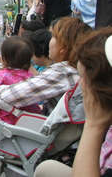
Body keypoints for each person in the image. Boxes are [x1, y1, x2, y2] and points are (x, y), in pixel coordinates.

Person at [34, 27, 112, 177]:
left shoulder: (61, 71)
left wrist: (94, 125)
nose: (80, 86)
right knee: (47, 168)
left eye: (86, 83)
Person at [0, 17, 92, 115]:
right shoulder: (79, 69)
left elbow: (7, 96)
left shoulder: (63, 72)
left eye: (53, 36)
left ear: (63, 47)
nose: (49, 41)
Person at [0, 37, 41, 125]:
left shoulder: (0, 75)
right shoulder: (30, 74)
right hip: (27, 118)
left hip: (6, 119)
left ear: (5, 60)